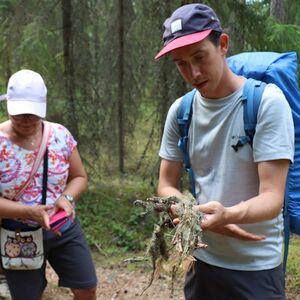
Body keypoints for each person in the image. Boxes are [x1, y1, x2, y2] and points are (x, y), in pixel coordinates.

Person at [155, 3, 294, 300]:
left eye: (199, 57)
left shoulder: (266, 103)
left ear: (223, 44)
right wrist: (189, 212)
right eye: (181, 63)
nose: (193, 72)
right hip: (203, 260)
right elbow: (166, 183)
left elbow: (272, 197)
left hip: (256, 266)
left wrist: (229, 216)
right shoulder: (181, 111)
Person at [0, 69, 97, 300]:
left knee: (86, 286)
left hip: (63, 226)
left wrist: (67, 198)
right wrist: (29, 212)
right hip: (18, 233)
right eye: (20, 113)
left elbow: (79, 177)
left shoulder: (60, 135)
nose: (26, 119)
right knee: (29, 296)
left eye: (32, 113)